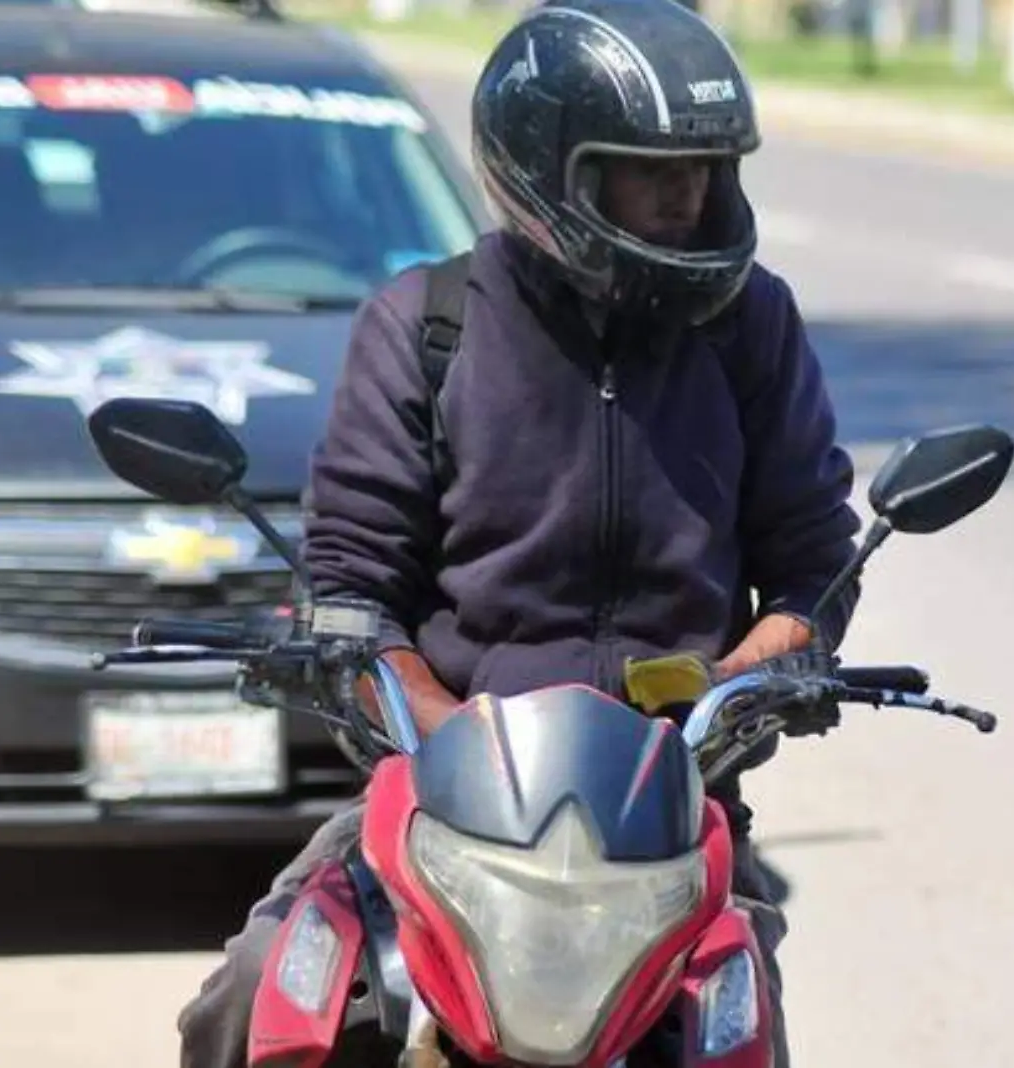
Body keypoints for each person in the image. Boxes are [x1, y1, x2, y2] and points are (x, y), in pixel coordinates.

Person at [176, 2, 858, 1065]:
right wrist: (439, 724)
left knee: (740, 1032)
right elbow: (354, 581)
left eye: (705, 171)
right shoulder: (427, 324)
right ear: (550, 171)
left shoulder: (748, 324)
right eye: (648, 170)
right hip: (450, 800)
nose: (687, 196)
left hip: (666, 805)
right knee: (257, 995)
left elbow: (813, 560)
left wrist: (760, 671)